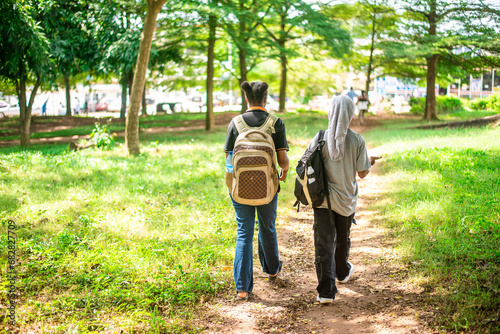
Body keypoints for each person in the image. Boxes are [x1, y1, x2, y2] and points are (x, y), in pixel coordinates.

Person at [305, 95, 380, 304]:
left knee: (324, 242)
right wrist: (370, 161)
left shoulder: (319, 138)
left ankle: (326, 291)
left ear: (331, 112)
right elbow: (363, 173)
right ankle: (341, 271)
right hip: (346, 201)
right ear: (350, 114)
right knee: (342, 238)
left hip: (322, 201)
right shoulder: (357, 140)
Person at [224, 81, 290, 301]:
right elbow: (283, 161)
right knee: (267, 227)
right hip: (268, 187)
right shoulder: (275, 123)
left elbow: (228, 160)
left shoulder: (235, 123)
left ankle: (242, 289)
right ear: (265, 99)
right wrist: (284, 171)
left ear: (246, 99)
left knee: (244, 232)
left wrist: (233, 181)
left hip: (240, 187)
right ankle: (272, 270)